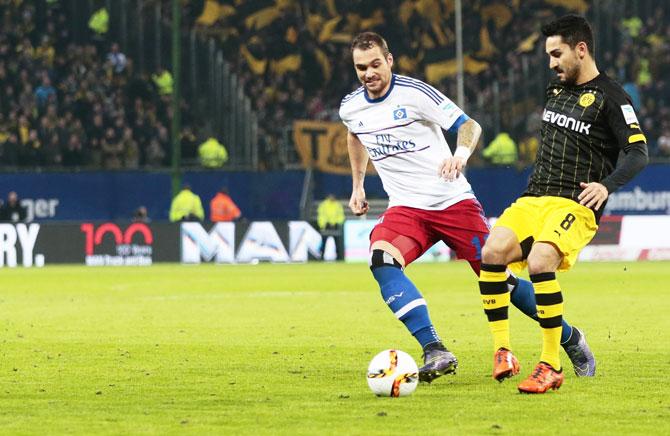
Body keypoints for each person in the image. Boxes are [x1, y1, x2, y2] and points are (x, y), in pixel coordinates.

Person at [339, 32, 592, 384]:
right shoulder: (351, 107)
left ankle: (569, 338)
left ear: (390, 60)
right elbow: (354, 134)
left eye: (375, 64)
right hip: (407, 210)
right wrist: (358, 184)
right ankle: (434, 348)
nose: (369, 73)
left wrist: (459, 156)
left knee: (501, 282)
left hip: (452, 202)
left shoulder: (415, 94)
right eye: (361, 67)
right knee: (381, 260)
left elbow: (469, 125)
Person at [477, 15, 648, 394]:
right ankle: (502, 350)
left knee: (540, 262)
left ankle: (550, 364)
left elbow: (637, 153)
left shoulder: (612, 97)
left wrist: (606, 186)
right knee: (490, 252)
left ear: (580, 49)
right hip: (534, 197)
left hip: (574, 203)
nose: (551, 63)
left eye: (557, 54)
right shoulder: (554, 91)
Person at [316, 194, 345, 260]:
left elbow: (341, 215)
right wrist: (323, 224)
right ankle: (321, 256)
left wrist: (338, 223)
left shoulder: (337, 205)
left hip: (335, 226)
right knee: (323, 242)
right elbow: (321, 215)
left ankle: (339, 257)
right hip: (326, 226)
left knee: (337, 243)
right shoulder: (323, 205)